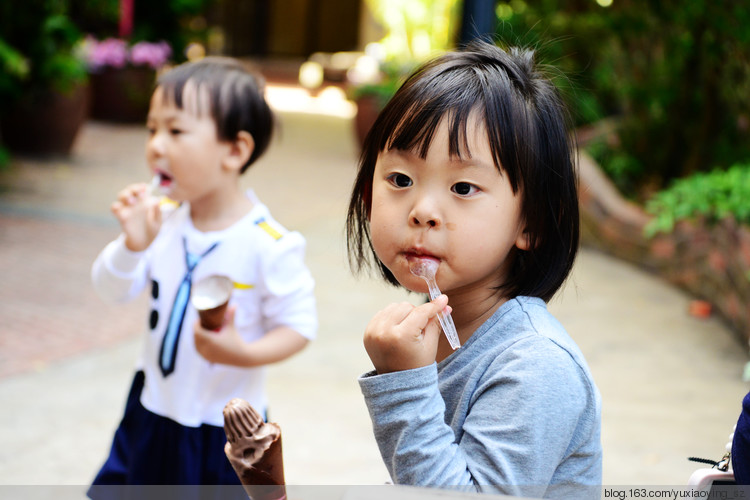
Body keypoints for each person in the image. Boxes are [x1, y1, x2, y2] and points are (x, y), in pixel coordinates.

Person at [345, 41, 602, 498]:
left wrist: (405, 386)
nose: (423, 210)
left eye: (463, 186)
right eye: (400, 180)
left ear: (532, 222)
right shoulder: (439, 328)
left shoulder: (535, 366)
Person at [87, 57, 317, 494]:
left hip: (223, 428)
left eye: (175, 131)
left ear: (235, 150)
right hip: (152, 406)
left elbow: (300, 327)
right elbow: (111, 289)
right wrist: (132, 245)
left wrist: (242, 352)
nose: (156, 145)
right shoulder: (163, 222)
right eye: (152, 129)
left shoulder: (270, 243)